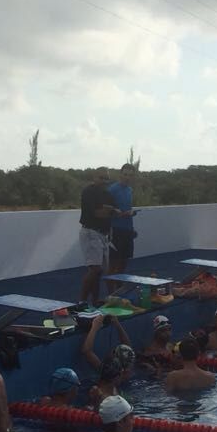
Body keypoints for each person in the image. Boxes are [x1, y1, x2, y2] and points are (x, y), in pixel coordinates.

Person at [76, 168, 117, 309]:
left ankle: (94, 301)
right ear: (94, 177)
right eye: (101, 177)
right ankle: (81, 302)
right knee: (95, 269)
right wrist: (112, 211)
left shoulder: (107, 194)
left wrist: (113, 211)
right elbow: (98, 213)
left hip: (103, 235)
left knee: (99, 271)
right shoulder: (89, 192)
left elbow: (113, 211)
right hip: (91, 232)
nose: (104, 181)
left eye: (106, 178)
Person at [82, 315, 134, 406]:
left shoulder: (103, 369)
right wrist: (117, 324)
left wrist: (95, 327)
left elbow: (87, 351)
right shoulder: (122, 377)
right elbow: (87, 351)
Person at [106, 163, 138, 276]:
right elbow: (106, 210)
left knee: (124, 261)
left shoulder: (129, 190)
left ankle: (119, 286)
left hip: (128, 230)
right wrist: (119, 213)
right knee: (113, 263)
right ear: (120, 174)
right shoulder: (112, 190)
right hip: (116, 230)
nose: (127, 177)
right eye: (125, 174)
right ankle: (111, 287)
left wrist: (131, 213)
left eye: (130, 175)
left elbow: (126, 208)